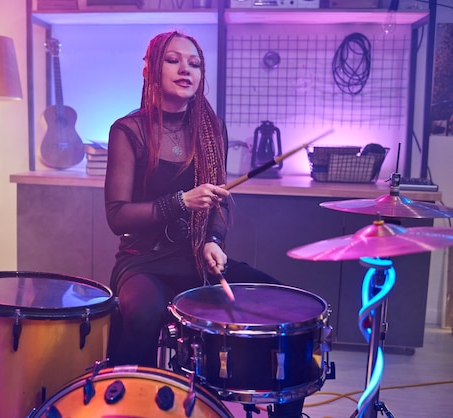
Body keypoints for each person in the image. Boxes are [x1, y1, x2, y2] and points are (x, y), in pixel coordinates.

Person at [103, 31, 305, 418]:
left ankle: (283, 410)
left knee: (282, 303)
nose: (185, 70)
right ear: (150, 69)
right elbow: (117, 216)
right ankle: (128, 407)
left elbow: (219, 202)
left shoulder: (212, 130)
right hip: (143, 262)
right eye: (173, 60)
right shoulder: (128, 131)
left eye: (194, 64)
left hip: (198, 260)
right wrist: (180, 202)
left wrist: (213, 239)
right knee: (144, 313)